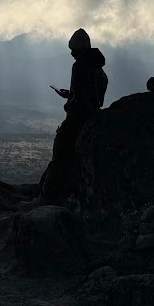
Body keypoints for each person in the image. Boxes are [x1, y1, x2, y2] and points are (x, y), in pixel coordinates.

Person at [37, 28, 108, 204]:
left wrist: (75, 102)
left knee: (59, 157)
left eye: (73, 49)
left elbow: (83, 97)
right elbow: (93, 96)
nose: (71, 53)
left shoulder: (80, 66)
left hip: (77, 118)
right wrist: (70, 94)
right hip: (90, 117)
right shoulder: (100, 70)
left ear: (80, 49)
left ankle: (46, 198)